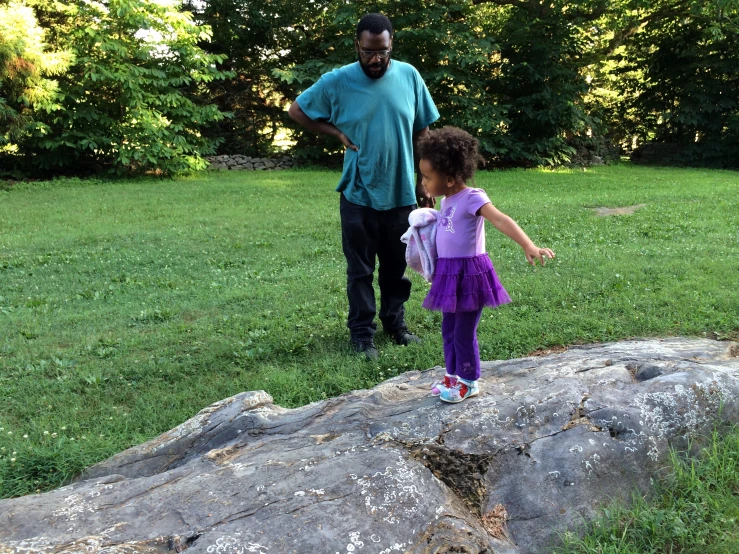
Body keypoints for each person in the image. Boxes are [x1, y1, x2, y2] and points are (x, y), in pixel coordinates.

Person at [288, 13, 440, 361]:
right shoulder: (338, 80)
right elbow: (297, 110)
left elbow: (422, 132)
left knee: (395, 268)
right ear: (357, 45)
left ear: (391, 45)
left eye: (382, 52)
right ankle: (361, 335)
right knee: (360, 271)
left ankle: (395, 325)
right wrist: (336, 132)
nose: (375, 59)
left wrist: (424, 178)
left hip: (401, 191)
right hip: (358, 192)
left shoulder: (409, 76)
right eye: (369, 52)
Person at [417, 127, 555, 403]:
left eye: (427, 177)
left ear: (451, 178)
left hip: (469, 275)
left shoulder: (473, 197)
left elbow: (500, 219)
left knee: (463, 331)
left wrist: (528, 245)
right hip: (449, 273)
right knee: (448, 329)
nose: (423, 182)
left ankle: (469, 381)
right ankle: (452, 375)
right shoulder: (446, 199)